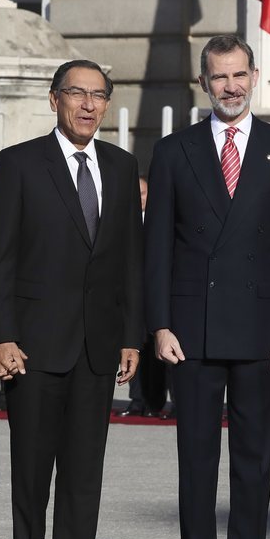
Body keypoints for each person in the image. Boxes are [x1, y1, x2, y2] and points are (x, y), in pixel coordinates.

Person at [145, 34, 270, 539]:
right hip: (191, 332)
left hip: (263, 332)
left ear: (255, 75)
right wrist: (159, 324)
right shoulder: (173, 151)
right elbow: (156, 246)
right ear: (203, 83)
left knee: (253, 463)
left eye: (239, 76)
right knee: (196, 461)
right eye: (219, 78)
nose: (231, 87)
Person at [0, 59, 144, 539]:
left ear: (107, 104)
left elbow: (130, 257)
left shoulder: (123, 168)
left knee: (84, 472)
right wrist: (2, 336)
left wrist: (131, 335)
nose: (87, 105)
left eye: (98, 95)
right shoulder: (20, 163)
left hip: (98, 346)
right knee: (32, 470)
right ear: (53, 99)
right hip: (32, 345)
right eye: (75, 93)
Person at [117, 175, 167, 417]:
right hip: (129, 296)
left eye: (143, 193)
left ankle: (154, 402)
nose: (139, 198)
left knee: (154, 353)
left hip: (155, 294)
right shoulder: (120, 220)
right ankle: (136, 400)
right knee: (131, 346)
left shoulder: (159, 221)